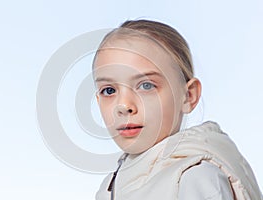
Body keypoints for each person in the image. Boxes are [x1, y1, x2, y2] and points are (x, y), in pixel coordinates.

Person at [92, 19, 262, 200]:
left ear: (189, 95)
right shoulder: (110, 186)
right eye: (109, 90)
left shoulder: (197, 177)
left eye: (146, 86)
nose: (124, 105)